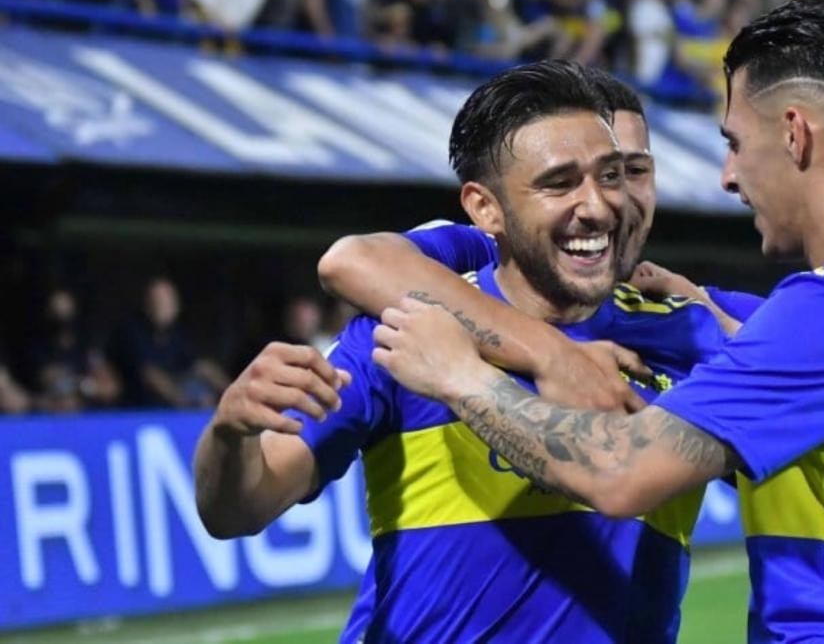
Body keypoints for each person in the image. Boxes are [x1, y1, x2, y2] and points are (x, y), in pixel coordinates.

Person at [368, 0, 824, 642]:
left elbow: (623, 473)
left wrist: (462, 378)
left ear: (794, 135)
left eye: (734, 142)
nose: (727, 175)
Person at [194, 60, 730, 643]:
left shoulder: (688, 337)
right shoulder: (406, 330)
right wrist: (229, 434)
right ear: (484, 209)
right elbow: (237, 510)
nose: (598, 206)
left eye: (611, 175)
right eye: (559, 183)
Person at [108, 277, 229, 408]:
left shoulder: (178, 333)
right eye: (158, 301)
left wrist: (229, 392)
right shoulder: (131, 332)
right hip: (137, 409)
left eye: (169, 302)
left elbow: (199, 365)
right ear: (147, 305)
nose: (164, 307)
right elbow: (150, 375)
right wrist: (185, 402)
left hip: (173, 403)